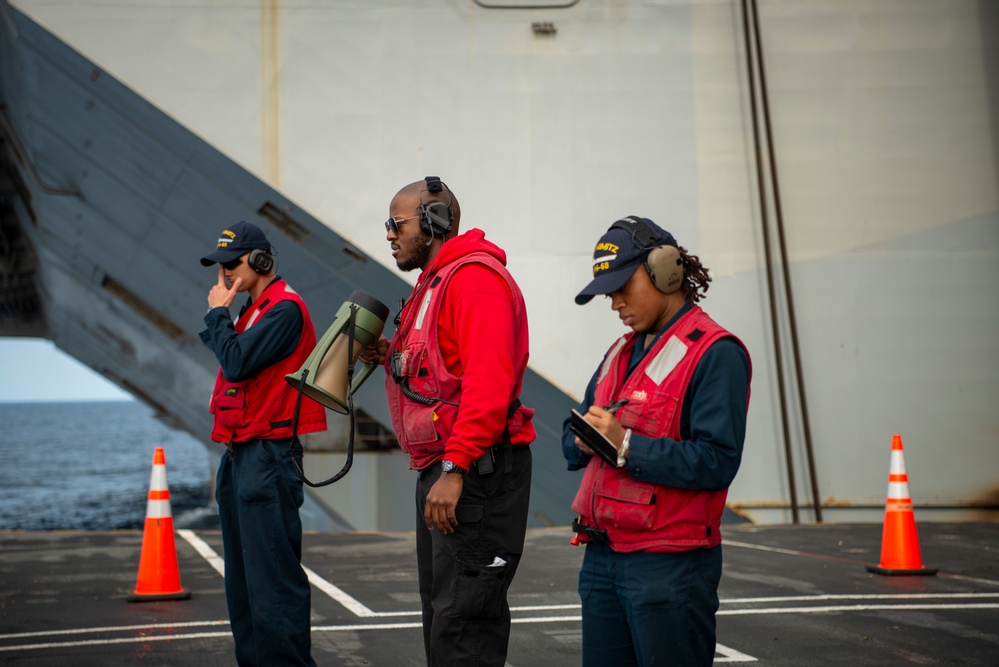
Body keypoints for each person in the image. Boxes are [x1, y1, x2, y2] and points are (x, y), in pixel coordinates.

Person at [361, 176, 536, 667]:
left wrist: (455, 468)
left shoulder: (473, 280)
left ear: (435, 222)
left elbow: (488, 384)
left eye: (397, 223)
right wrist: (385, 355)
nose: (390, 234)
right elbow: (441, 369)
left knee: (465, 625)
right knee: (443, 616)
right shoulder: (436, 281)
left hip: (474, 474)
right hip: (448, 471)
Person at [562, 216, 752, 667]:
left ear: (666, 271)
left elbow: (717, 461)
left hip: (670, 568)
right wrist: (585, 442)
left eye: (623, 287)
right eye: (609, 293)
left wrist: (625, 445)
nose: (615, 303)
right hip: (603, 559)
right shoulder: (619, 353)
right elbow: (571, 442)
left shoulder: (716, 352)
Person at [199, 221, 327, 667]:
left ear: (260, 261)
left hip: (268, 457)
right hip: (242, 455)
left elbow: (235, 363)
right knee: (244, 585)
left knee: (272, 584)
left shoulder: (284, 311)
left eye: (231, 265)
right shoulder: (255, 311)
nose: (224, 275)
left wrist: (218, 314)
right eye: (220, 267)